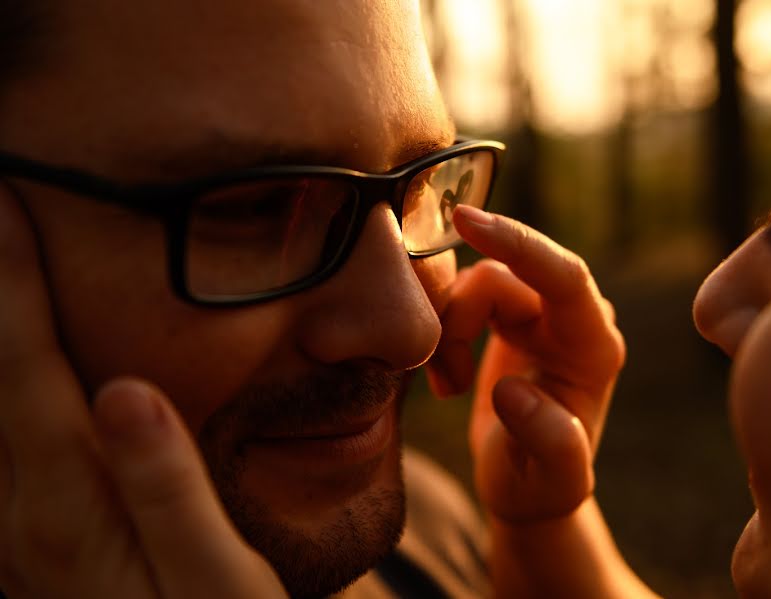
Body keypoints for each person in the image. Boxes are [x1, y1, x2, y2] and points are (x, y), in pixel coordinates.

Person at [0, 1, 645, 598]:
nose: (414, 330)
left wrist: (548, 553)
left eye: (419, 184)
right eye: (256, 207)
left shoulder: (436, 526)